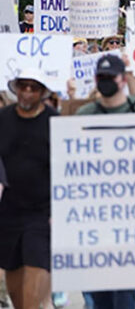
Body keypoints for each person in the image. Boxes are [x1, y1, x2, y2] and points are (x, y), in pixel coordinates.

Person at [76, 55, 135, 309]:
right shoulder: (84, 115)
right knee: (99, 290)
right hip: (96, 214)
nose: (105, 82)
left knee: (125, 288)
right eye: (101, 78)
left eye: (110, 78)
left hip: (132, 213)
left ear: (123, 79)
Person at [0, 70, 57, 309]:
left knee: (32, 294)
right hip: (10, 210)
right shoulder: (3, 118)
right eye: (23, 86)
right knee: (17, 296)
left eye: (34, 88)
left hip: (42, 213)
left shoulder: (56, 122)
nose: (27, 92)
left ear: (43, 92)